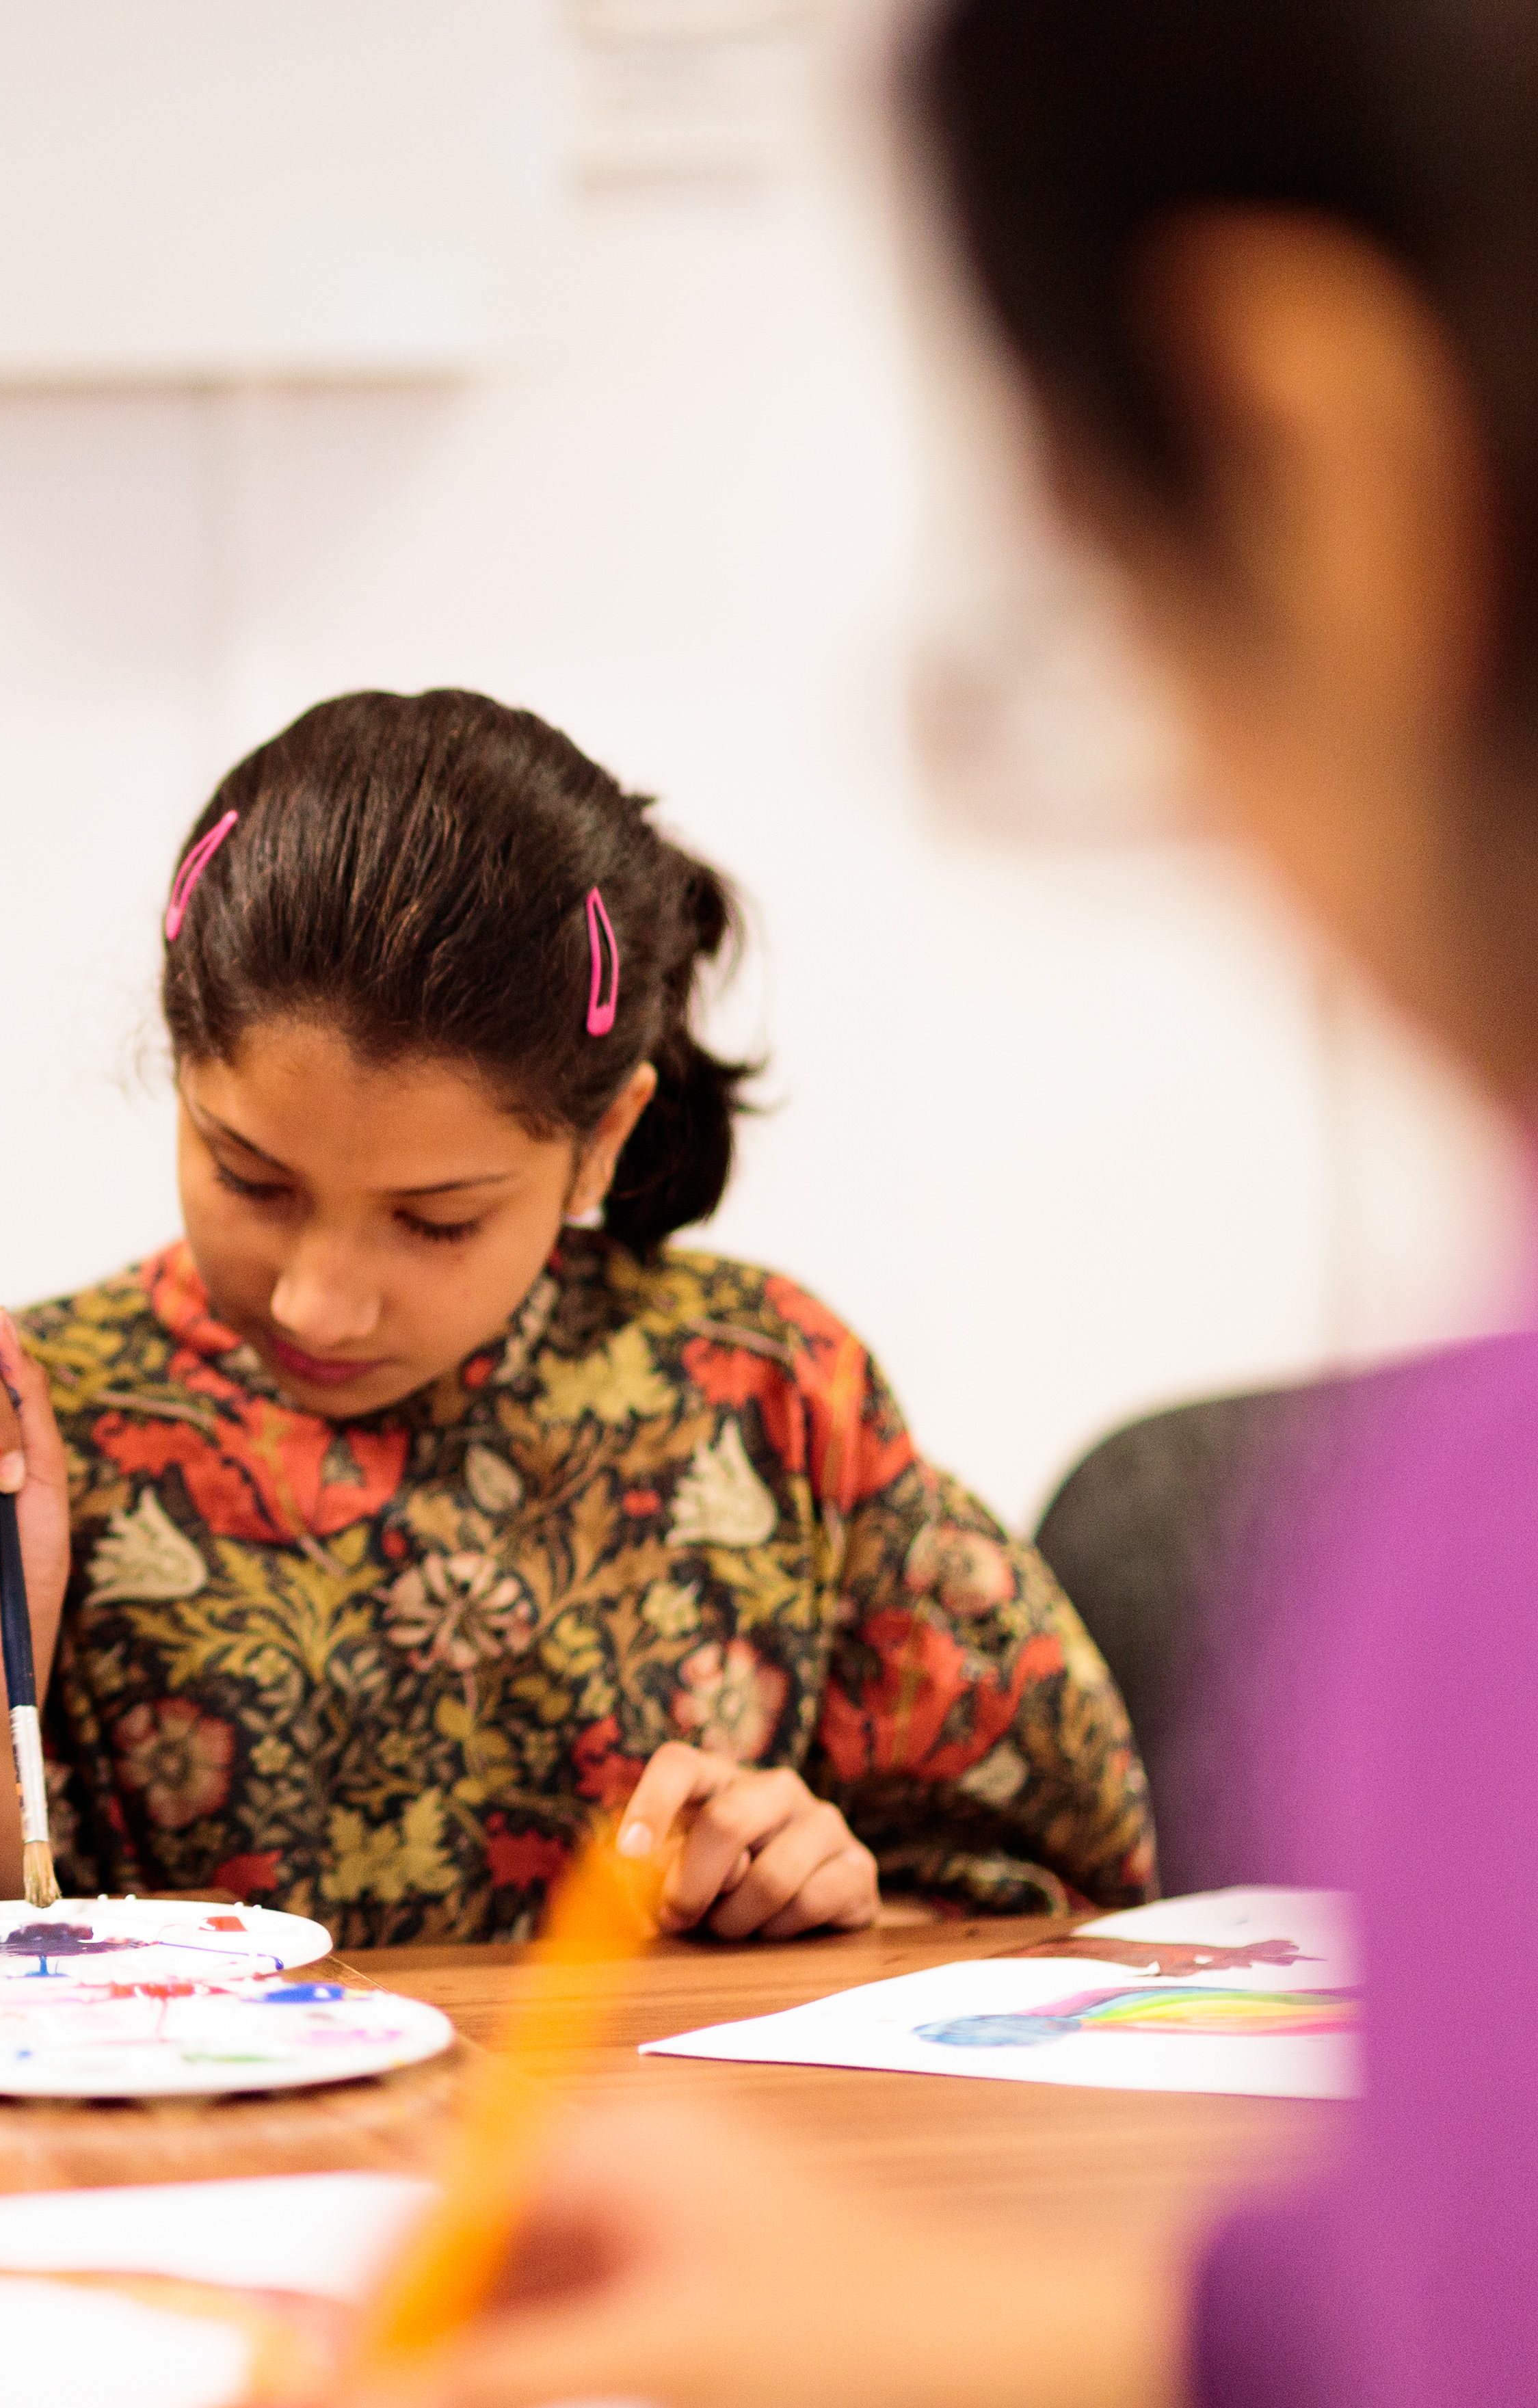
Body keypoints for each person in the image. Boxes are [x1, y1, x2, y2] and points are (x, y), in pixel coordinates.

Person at [356, 5, 1538, 2403]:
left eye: (1102, 607)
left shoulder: (1454, 1550)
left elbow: (1056, 1825)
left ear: (1312, 473)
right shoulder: (57, 1402)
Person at [0, 689, 1154, 1943]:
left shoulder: (768, 1397)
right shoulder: (10, 1433)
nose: (316, 1300)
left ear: (602, 1143)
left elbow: (1062, 1912)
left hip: (659, 2173)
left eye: (436, 1219)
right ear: (179, 1071)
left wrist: (824, 1897)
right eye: (248, 1177)